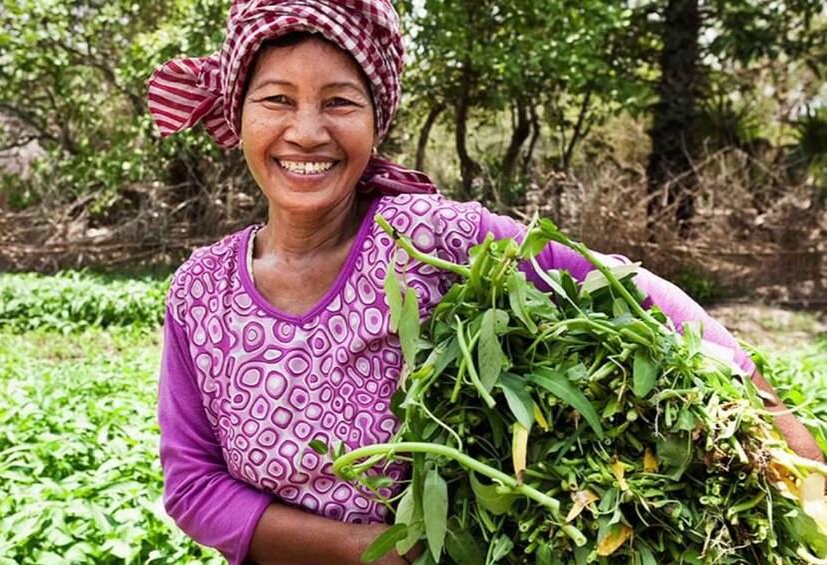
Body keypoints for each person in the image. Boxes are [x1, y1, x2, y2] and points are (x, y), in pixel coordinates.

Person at [147, 2, 822, 564]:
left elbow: (621, 284)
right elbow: (194, 484)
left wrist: (767, 408)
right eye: (277, 100)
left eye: (339, 102)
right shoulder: (200, 292)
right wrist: (366, 549)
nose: (307, 130)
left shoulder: (428, 240)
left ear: (376, 121)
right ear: (238, 116)